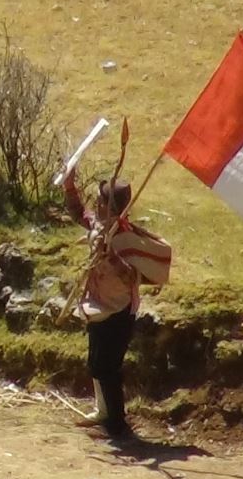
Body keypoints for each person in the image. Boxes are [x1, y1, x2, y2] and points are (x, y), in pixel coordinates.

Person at [62, 166, 170, 442]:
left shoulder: (127, 238)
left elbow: (131, 276)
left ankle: (116, 424)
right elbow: (79, 213)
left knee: (107, 367)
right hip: (97, 305)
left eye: (99, 201)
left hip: (118, 309)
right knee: (95, 362)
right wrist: (69, 187)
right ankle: (102, 411)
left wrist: (111, 256)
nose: (95, 205)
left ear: (110, 206)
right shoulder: (100, 227)